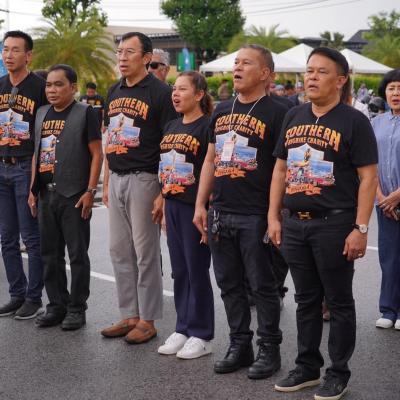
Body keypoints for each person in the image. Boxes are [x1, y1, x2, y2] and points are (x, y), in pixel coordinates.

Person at [268, 47, 378, 400]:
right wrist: (273, 216)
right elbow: (281, 169)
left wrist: (360, 229)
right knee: (306, 299)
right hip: (294, 224)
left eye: (321, 71)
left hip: (334, 223)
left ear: (341, 80)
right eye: (309, 70)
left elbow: (368, 177)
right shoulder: (294, 114)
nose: (311, 77)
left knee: (339, 301)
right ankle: (307, 367)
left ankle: (338, 372)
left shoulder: (354, 121)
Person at [194, 44, 286, 380]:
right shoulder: (221, 109)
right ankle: (239, 344)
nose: (237, 68)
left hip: (256, 214)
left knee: (263, 287)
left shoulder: (280, 111)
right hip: (221, 211)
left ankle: (269, 349)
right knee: (229, 285)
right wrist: (201, 205)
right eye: (236, 63)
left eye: (246, 63)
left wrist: (274, 215)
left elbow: (282, 168)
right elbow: (210, 159)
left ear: (265, 73)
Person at [100, 32, 177, 343]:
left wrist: (163, 192)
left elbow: (171, 144)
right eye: (119, 52)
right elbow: (110, 137)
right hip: (117, 176)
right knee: (119, 250)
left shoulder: (161, 93)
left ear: (146, 58)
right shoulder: (113, 90)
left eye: (129, 52)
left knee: (145, 253)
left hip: (146, 178)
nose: (122, 57)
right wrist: (106, 180)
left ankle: (147, 319)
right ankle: (129, 314)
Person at [30, 64, 103, 330]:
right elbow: (37, 154)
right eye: (49, 85)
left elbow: (97, 153)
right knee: (49, 255)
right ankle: (56, 305)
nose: (52, 90)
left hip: (74, 195)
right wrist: (31, 191)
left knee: (77, 255)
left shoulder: (86, 113)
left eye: (58, 84)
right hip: (45, 194)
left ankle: (76, 308)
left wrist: (90, 191)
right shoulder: (41, 113)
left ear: (73, 87)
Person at [157, 71, 215, 359]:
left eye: (182, 89)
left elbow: (211, 169)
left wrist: (205, 208)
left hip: (194, 208)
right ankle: (182, 327)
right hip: (172, 204)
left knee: (196, 270)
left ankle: (201, 334)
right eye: (174, 89)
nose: (175, 94)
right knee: (179, 271)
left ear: (199, 94)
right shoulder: (171, 125)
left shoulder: (208, 127)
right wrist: (163, 202)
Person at [0, 30, 46, 320]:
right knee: (6, 237)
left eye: (15, 50)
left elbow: (46, 134)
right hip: (1, 165)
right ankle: (16, 294)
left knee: (31, 237)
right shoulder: (0, 85)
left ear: (28, 55)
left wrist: (36, 179)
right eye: (5, 49)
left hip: (25, 166)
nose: (9, 55)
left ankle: (33, 297)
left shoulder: (39, 88)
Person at [372, 69, 400, 330]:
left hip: (397, 197)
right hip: (383, 202)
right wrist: (382, 197)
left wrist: (397, 196)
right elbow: (369, 164)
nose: (396, 93)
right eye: (391, 88)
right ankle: (388, 309)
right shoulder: (376, 123)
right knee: (389, 256)